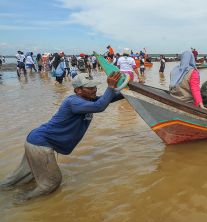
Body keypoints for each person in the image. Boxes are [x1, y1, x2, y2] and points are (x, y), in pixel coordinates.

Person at [0, 72, 124, 200]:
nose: (94, 90)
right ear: (78, 90)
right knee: (51, 183)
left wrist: (127, 92)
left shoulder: (88, 99)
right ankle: (18, 202)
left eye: (95, 87)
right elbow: (100, 106)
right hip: (40, 143)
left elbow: (107, 99)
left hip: (36, 141)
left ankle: (5, 194)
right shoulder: (74, 102)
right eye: (90, 88)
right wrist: (110, 87)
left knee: (23, 176)